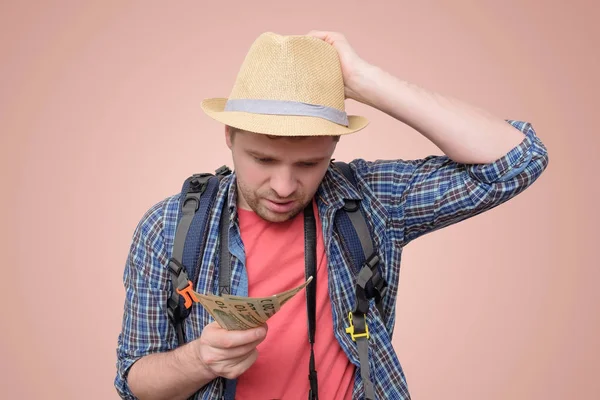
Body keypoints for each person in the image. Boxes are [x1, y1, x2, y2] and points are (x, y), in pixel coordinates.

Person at [114, 31, 549, 400]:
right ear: (228, 135)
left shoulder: (370, 201)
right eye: (263, 160)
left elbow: (516, 160)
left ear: (334, 149)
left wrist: (364, 81)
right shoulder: (170, 228)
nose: (284, 187)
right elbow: (134, 382)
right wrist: (199, 360)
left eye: (307, 164)